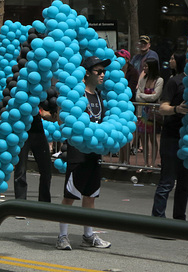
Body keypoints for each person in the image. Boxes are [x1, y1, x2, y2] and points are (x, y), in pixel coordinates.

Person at [56, 56, 112, 251]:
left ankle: (88, 235)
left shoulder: (99, 96)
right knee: (70, 195)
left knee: (91, 195)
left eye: (104, 71)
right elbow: (63, 118)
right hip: (78, 151)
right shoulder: (77, 94)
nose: (103, 74)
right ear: (87, 73)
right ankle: (62, 235)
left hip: (94, 152)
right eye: (98, 71)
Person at [151, 52, 188, 220]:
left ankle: (179, 221)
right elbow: (162, 108)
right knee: (167, 182)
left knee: (184, 185)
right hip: (172, 137)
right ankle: (158, 220)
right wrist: (177, 109)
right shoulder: (175, 81)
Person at [14, 107, 55, 204]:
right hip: (22, 131)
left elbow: (49, 113)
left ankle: (44, 203)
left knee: (46, 169)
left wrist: (49, 112)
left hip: (38, 131)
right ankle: (20, 204)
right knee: (20, 170)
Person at [135, 58, 164, 169]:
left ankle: (152, 162)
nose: (144, 68)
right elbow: (137, 96)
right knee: (143, 138)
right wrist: (144, 97)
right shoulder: (142, 79)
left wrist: (143, 96)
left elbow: (155, 96)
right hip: (143, 113)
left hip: (153, 113)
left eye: (146, 66)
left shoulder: (159, 80)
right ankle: (146, 162)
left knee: (152, 138)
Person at [116, 49, 139, 166]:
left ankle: (126, 160)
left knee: (126, 133)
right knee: (119, 133)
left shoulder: (133, 72)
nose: (118, 59)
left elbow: (131, 88)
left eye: (121, 57)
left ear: (127, 59)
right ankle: (120, 159)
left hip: (128, 105)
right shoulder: (115, 71)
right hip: (117, 105)